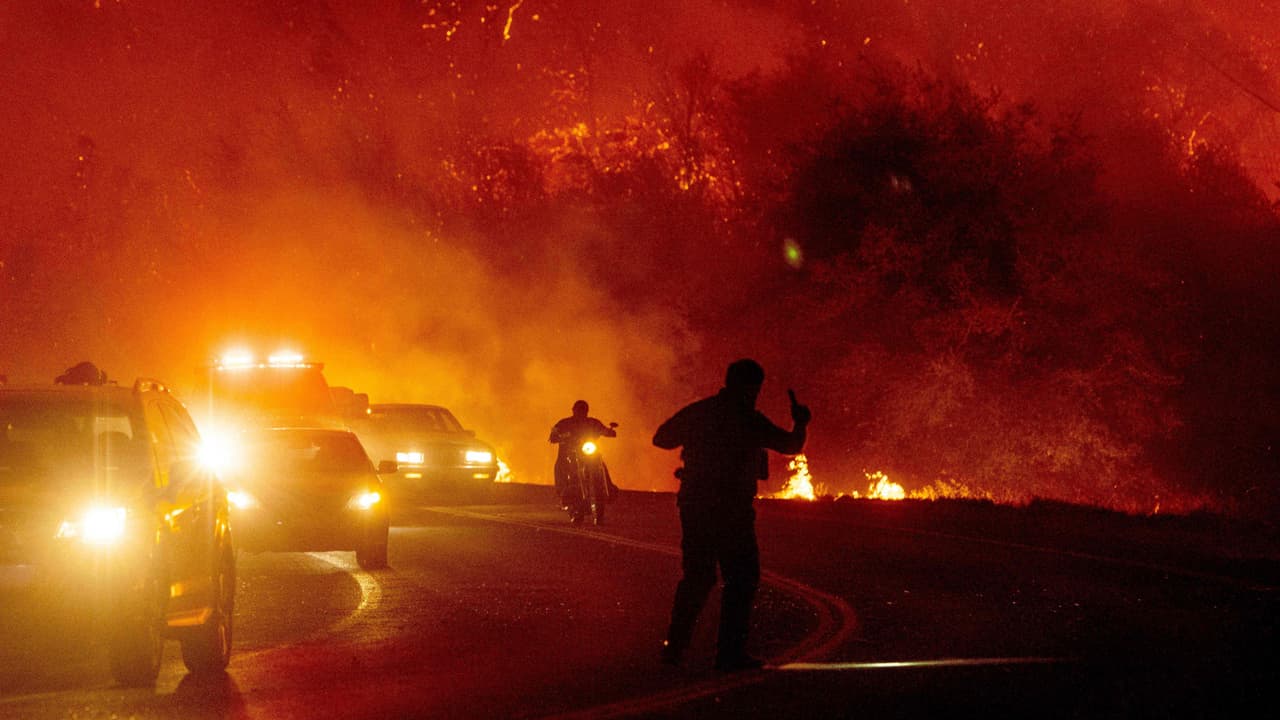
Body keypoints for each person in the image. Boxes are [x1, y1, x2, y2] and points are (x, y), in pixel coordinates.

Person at [652, 358, 810, 672]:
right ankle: (729, 653)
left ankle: (674, 649)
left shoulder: (701, 411)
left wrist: (695, 446)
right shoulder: (748, 419)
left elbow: (662, 438)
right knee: (741, 579)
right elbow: (790, 445)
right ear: (751, 387)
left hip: (695, 505)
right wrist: (801, 422)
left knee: (697, 577)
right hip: (732, 510)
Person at [549, 400, 618, 509]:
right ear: (573, 410)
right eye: (578, 410)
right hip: (569, 453)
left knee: (600, 463)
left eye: (583, 410)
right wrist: (555, 436)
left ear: (587, 411)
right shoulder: (565, 423)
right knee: (561, 465)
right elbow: (554, 433)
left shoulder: (592, 422)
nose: (581, 413)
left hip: (587, 452)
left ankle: (609, 488)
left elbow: (602, 429)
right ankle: (563, 493)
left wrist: (609, 432)